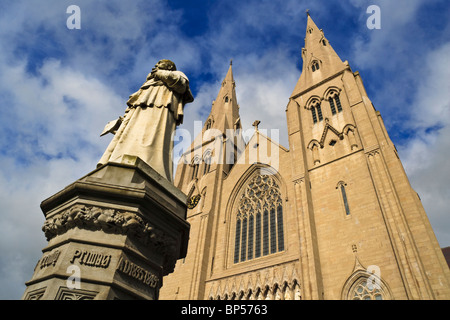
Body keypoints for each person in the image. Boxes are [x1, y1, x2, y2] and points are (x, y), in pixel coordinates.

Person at [98, 59, 194, 182]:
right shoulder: (149, 84)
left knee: (153, 137)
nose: (156, 65)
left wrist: (159, 73)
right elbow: (133, 105)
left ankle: (150, 164)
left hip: (159, 111)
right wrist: (123, 122)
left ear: (169, 67)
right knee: (131, 138)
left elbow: (180, 84)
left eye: (160, 63)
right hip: (139, 114)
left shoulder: (177, 74)